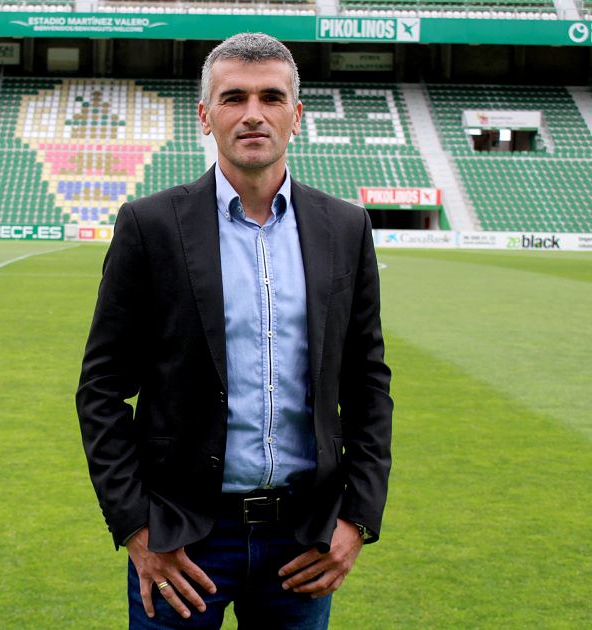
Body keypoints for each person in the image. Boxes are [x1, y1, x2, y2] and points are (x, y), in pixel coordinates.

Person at [76, 32, 392, 629]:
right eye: (233, 98)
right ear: (205, 115)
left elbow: (368, 383)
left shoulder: (345, 227)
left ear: (295, 115)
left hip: (304, 538)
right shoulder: (150, 226)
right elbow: (101, 390)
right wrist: (137, 529)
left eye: (271, 97)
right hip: (183, 539)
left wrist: (358, 520)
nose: (252, 114)